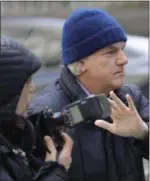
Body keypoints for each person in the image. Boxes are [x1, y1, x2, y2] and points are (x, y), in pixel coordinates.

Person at [28, 8, 149, 181]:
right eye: (111, 52)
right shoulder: (45, 113)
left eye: (123, 49)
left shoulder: (130, 99)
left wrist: (144, 134)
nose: (124, 59)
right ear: (79, 64)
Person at [0, 36, 73, 181]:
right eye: (27, 82)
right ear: (8, 89)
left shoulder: (11, 134)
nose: (33, 88)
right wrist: (57, 171)